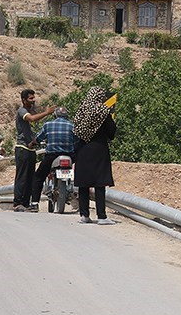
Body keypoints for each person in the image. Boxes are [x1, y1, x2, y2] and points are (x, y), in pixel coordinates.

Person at [72, 86, 117, 225]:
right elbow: (112, 131)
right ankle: (102, 216)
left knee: (83, 184)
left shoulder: (82, 110)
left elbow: (75, 130)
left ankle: (84, 215)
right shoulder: (103, 111)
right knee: (99, 183)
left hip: (82, 149)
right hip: (99, 149)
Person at [27, 106, 76, 212]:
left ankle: (34, 203)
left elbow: (39, 138)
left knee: (38, 176)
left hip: (52, 155)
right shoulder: (72, 126)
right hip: (70, 155)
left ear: (55, 115)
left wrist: (32, 144)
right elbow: (76, 141)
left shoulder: (48, 125)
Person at [13, 89, 54, 212]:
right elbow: (31, 119)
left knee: (30, 177)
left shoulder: (29, 110)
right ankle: (18, 202)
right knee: (22, 176)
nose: (33, 100)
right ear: (24, 100)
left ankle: (26, 203)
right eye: (30, 98)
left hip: (30, 149)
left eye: (33, 98)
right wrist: (46, 113)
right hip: (22, 148)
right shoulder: (22, 111)